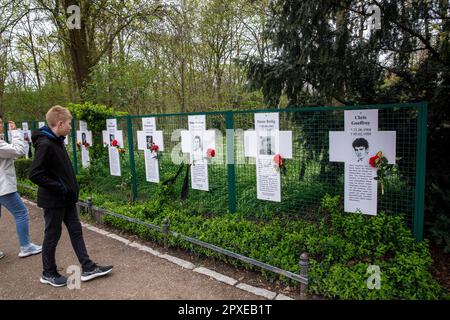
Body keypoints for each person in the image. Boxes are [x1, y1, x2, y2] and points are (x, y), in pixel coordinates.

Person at [29, 106, 113, 287]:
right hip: (54, 200)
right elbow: (35, 174)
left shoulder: (56, 140)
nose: (69, 127)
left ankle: (88, 267)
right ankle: (48, 273)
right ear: (59, 123)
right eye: (68, 123)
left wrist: (68, 190)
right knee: (52, 234)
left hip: (66, 199)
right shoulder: (45, 144)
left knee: (76, 230)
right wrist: (60, 187)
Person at [0, 117, 42, 260]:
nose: (0, 125)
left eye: (0, 122)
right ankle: (26, 246)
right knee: (21, 212)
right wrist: (15, 133)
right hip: (3, 187)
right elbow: (19, 151)